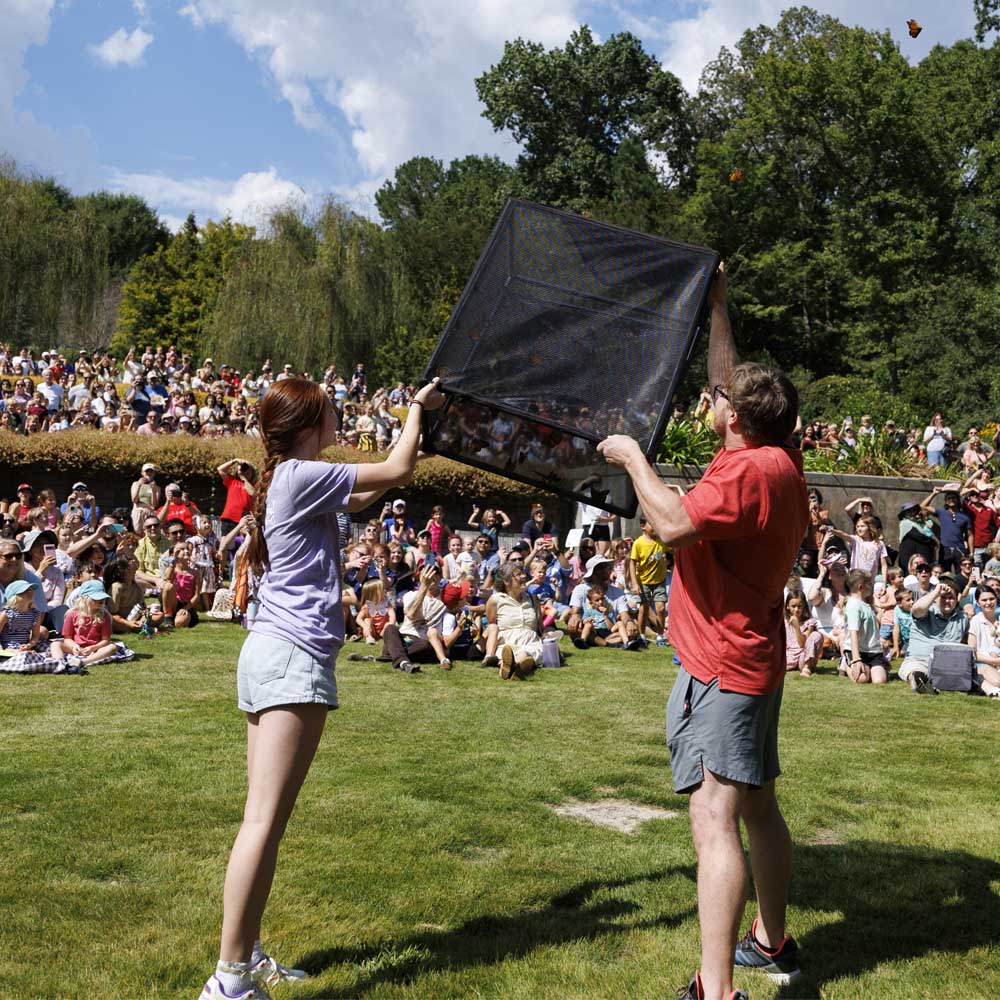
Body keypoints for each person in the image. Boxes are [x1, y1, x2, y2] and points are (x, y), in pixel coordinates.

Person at [598, 262, 808, 1000]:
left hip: (723, 665)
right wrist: (718, 308)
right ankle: (772, 939)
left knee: (713, 818)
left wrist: (631, 456)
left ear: (733, 422)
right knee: (758, 805)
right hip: (751, 659)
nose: (711, 402)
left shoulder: (742, 474)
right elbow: (731, 380)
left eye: (720, 404)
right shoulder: (777, 455)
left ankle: (714, 990)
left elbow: (675, 525)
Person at [200, 375, 444, 1000]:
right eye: (331, 413)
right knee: (262, 821)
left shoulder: (292, 477)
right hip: (292, 658)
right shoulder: (299, 476)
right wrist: (415, 409)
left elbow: (368, 494)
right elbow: (397, 467)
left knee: (263, 820)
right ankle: (228, 980)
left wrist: (407, 446)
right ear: (309, 423)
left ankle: (246, 957)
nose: (339, 419)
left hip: (267, 654)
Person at [899, 574, 968, 693]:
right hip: (920, 661)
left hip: (947, 666)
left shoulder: (963, 618)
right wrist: (936, 592)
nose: (947, 601)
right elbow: (916, 609)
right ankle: (920, 681)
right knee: (915, 670)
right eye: (943, 597)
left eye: (951, 597)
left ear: (957, 599)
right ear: (936, 598)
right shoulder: (927, 610)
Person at [843, 569, 890, 684]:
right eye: (869, 583)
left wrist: (882, 655)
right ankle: (845, 663)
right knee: (862, 679)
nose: (872, 586)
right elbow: (854, 633)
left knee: (879, 681)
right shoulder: (854, 605)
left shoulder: (866, 605)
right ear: (861, 587)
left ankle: (873, 667)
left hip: (873, 651)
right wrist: (856, 659)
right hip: (856, 651)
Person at [218, 458, 258, 537]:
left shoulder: (253, 486)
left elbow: (253, 493)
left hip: (244, 521)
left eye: (247, 470)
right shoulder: (232, 481)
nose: (244, 471)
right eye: (243, 469)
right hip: (228, 519)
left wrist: (244, 478)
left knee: (243, 546)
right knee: (226, 545)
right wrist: (234, 461)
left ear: (252, 473)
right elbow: (220, 469)